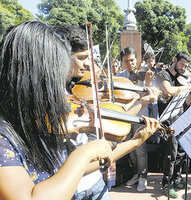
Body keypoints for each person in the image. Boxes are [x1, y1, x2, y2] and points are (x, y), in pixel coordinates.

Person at [0, 21, 161, 200]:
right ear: (33, 74)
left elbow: (71, 169)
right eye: (56, 75)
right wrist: (83, 153)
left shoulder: (36, 119)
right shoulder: (4, 136)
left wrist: (134, 142)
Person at [117, 47, 161, 192]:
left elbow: (151, 98)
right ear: (122, 62)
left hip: (140, 117)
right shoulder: (121, 77)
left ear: (137, 60)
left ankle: (143, 177)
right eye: (126, 61)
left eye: (132, 60)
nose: (130, 63)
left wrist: (147, 84)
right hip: (125, 117)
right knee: (130, 149)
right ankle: (136, 173)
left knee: (140, 150)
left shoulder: (145, 76)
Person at [157, 51, 191, 198]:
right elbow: (168, 90)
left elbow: (187, 102)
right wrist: (186, 87)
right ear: (175, 60)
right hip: (168, 120)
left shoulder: (183, 77)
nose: (183, 68)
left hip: (181, 116)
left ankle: (177, 178)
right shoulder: (163, 74)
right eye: (181, 64)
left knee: (180, 152)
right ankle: (167, 184)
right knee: (170, 153)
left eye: (186, 66)